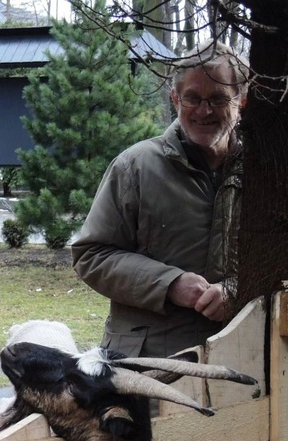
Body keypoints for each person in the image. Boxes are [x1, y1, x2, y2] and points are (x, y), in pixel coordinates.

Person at [71, 40, 250, 359]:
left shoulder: (264, 177)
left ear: (241, 101)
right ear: (175, 98)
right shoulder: (135, 167)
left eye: (218, 99)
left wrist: (238, 290)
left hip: (239, 358)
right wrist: (169, 283)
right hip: (146, 366)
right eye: (192, 98)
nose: (204, 110)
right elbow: (91, 255)